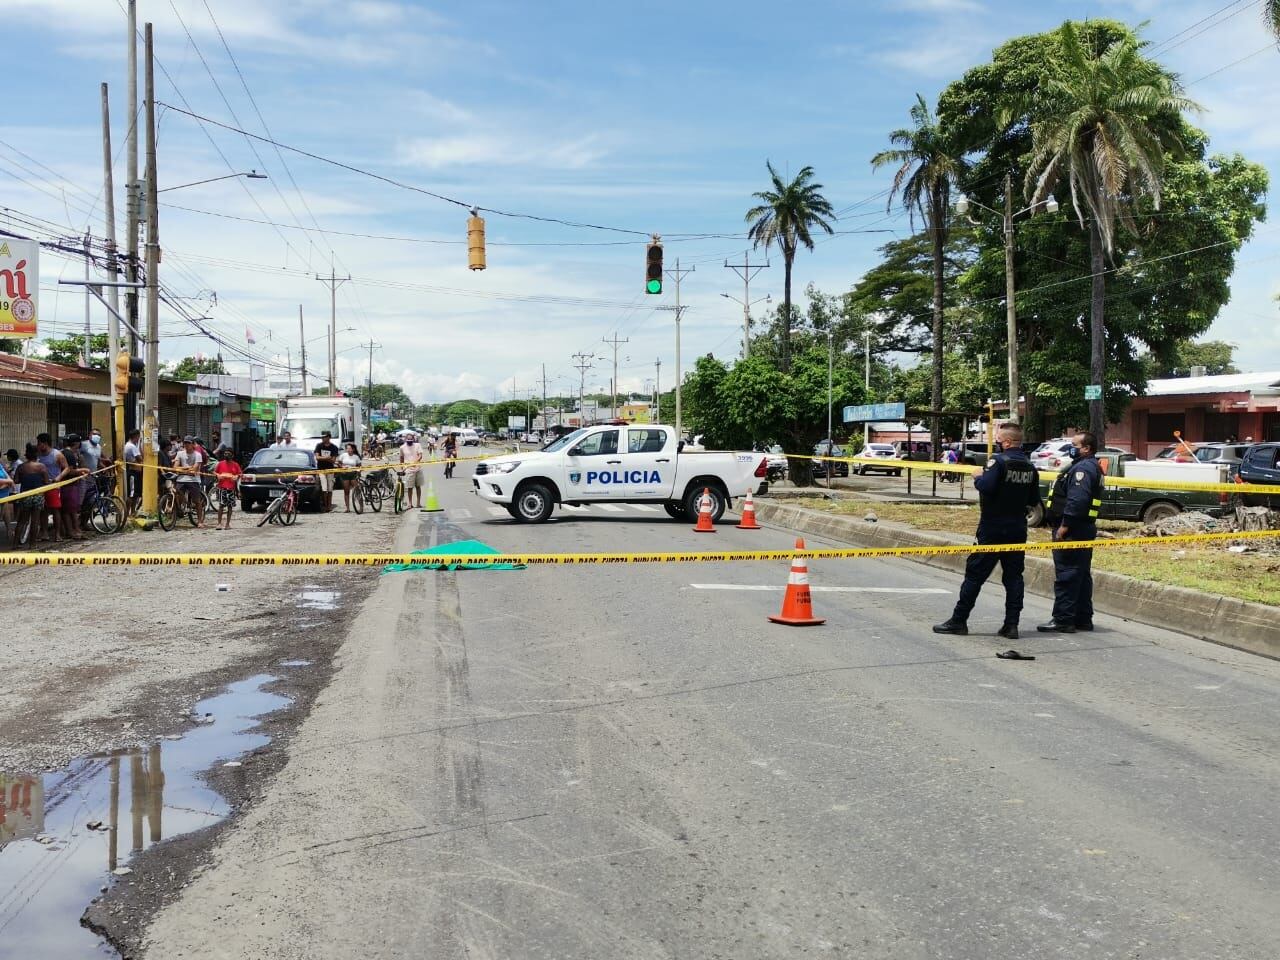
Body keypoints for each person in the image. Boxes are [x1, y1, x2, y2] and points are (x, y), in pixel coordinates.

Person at [934, 422, 1041, 640]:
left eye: (998, 440)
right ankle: (1011, 625)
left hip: (992, 529)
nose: (997, 443)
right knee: (1013, 578)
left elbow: (986, 487)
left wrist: (977, 475)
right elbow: (1033, 500)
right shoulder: (1030, 467)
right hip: (1017, 530)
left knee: (974, 575)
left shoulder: (998, 462)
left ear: (1007, 442)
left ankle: (959, 621)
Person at [1039, 431, 1104, 634]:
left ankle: (1063, 619)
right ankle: (1083, 618)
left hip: (1073, 530)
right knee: (1081, 575)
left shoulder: (1083, 468)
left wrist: (1064, 526)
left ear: (1086, 448)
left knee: (1067, 574)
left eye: (1075, 444)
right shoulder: (1089, 466)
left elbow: (1077, 501)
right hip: (1083, 528)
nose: (1071, 447)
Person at [35, 433, 72, 542]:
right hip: (41, 486)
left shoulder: (57, 454)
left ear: (45, 443)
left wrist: (58, 477)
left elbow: (67, 468)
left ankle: (57, 534)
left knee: (55, 510)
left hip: (53, 486)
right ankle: (44, 533)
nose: (37, 445)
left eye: (39, 443)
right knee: (43, 511)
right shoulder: (38, 455)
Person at [15, 444, 51, 545]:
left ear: (26, 455)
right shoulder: (41, 466)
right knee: (35, 521)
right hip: (38, 496)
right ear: (37, 454)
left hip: (25, 496)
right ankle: (33, 545)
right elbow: (46, 481)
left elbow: (16, 480)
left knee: (22, 521)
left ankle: (15, 544)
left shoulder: (21, 467)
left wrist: (25, 479)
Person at [59, 434, 90, 540]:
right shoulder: (69, 454)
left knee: (71, 510)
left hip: (68, 485)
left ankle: (75, 530)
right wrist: (82, 471)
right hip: (69, 485)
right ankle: (71, 531)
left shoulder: (65, 452)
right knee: (69, 511)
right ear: (77, 443)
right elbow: (70, 471)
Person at [174, 436, 207, 528]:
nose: (186, 445)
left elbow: (195, 468)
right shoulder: (180, 453)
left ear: (193, 444)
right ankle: (182, 507)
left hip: (194, 480)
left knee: (197, 501)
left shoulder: (197, 455)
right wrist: (187, 469)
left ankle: (200, 521)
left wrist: (181, 469)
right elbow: (175, 467)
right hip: (181, 479)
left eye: (188, 443)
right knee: (176, 492)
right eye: (185, 443)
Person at [212, 447, 242, 530]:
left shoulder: (235, 465)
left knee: (230, 507)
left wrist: (236, 476)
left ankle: (227, 524)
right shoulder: (220, 464)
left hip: (231, 489)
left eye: (228, 453)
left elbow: (240, 474)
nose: (226, 455)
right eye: (225, 453)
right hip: (222, 488)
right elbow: (214, 472)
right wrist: (217, 475)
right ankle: (219, 523)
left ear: (232, 455)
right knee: (221, 506)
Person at [313, 431, 341, 512]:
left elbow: (333, 460)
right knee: (324, 489)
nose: (323, 438)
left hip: (330, 470)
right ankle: (325, 506)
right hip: (321, 470)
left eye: (324, 437)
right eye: (322, 437)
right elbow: (317, 458)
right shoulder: (319, 446)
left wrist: (325, 458)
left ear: (329, 437)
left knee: (330, 489)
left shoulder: (334, 447)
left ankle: (329, 505)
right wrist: (327, 458)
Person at [399, 432, 425, 507]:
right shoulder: (402, 447)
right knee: (410, 487)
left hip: (418, 468)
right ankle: (410, 503)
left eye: (411, 440)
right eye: (408, 440)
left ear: (413, 439)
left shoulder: (417, 445)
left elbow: (420, 455)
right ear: (405, 439)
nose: (409, 441)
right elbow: (401, 458)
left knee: (418, 486)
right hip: (408, 469)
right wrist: (402, 467)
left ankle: (418, 503)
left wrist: (415, 462)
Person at [338, 442, 362, 511]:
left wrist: (358, 472)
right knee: (346, 491)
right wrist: (342, 467)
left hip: (353, 474)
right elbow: (339, 463)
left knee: (357, 490)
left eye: (350, 448)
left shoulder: (356, 457)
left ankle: (361, 507)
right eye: (347, 448)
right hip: (345, 475)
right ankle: (347, 508)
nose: (348, 450)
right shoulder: (343, 455)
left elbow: (359, 465)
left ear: (353, 449)